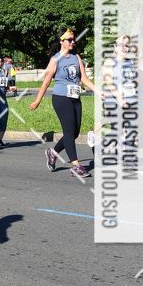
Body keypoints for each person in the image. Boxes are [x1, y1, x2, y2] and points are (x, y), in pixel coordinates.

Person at [29, 28, 96, 178]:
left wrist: (99, 91)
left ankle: (53, 153)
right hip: (60, 98)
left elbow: (84, 79)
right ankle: (76, 166)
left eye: (73, 39)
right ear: (61, 41)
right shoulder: (55, 59)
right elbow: (46, 82)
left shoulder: (76, 57)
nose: (73, 42)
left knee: (75, 132)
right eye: (69, 40)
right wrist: (37, 100)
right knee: (68, 130)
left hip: (75, 97)